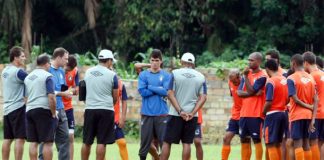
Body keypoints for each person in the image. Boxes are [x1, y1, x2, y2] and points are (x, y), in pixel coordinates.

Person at [160, 52, 207, 160]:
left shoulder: (175, 73)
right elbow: (203, 97)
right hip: (191, 116)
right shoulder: (201, 77)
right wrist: (193, 112)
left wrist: (180, 111)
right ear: (193, 64)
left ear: (181, 62)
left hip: (175, 114)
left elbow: (170, 93)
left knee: (167, 142)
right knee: (187, 143)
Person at [81, 49, 118, 160]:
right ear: (109, 61)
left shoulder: (88, 72)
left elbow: (83, 90)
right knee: (102, 141)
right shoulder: (112, 75)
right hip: (106, 110)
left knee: (87, 141)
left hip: (90, 109)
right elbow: (115, 97)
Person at [137, 49, 170, 160]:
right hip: (146, 114)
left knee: (164, 143)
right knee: (144, 143)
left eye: (157, 60)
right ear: (149, 60)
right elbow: (142, 92)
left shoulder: (166, 75)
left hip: (162, 114)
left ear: (161, 61)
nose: (154, 63)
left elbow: (166, 92)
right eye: (152, 60)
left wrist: (150, 87)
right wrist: (158, 89)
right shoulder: (143, 74)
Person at [39, 47, 71, 160]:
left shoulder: (62, 71)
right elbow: (47, 92)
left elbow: (63, 89)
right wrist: (63, 93)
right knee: (46, 140)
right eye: (65, 59)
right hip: (49, 110)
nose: (67, 62)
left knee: (65, 139)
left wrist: (69, 92)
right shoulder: (46, 70)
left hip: (61, 109)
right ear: (58, 57)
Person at [24, 54, 57, 160]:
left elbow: (25, 97)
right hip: (43, 110)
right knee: (48, 142)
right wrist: (53, 113)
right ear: (47, 64)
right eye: (50, 64)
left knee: (33, 142)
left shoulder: (28, 77)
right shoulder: (48, 76)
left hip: (29, 110)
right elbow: (51, 97)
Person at [287, 54, 318, 160]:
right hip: (309, 116)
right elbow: (316, 100)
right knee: (306, 144)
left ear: (293, 63)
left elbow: (295, 99)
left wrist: (308, 106)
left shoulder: (291, 78)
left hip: (297, 115)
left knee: (298, 144)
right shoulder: (311, 77)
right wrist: (313, 119)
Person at [237, 52, 267, 160]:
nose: (249, 62)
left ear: (259, 61)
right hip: (244, 113)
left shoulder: (262, 76)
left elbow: (251, 90)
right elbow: (239, 93)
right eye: (248, 60)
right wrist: (252, 93)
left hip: (256, 114)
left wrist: (245, 77)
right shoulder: (247, 74)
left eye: (252, 60)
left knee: (256, 140)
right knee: (244, 140)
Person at [1, 46, 28, 160]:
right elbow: (32, 81)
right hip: (17, 108)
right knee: (20, 139)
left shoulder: (5, 71)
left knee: (7, 139)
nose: (25, 58)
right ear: (15, 58)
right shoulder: (19, 72)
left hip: (7, 108)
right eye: (22, 56)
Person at [262, 59, 289, 160]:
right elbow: (288, 98)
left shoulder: (271, 81)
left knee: (270, 144)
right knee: (278, 143)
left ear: (267, 69)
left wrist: (263, 112)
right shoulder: (284, 79)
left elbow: (268, 101)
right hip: (283, 113)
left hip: (272, 114)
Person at [303, 52, 323, 159]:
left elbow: (311, 97)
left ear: (305, 63)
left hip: (316, 114)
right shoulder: (323, 73)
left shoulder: (310, 77)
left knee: (311, 142)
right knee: (320, 143)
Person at [221, 69, 242, 160]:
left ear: (239, 77)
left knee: (245, 140)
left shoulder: (245, 83)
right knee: (226, 138)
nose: (233, 82)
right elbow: (232, 95)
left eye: (234, 81)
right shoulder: (230, 82)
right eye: (231, 80)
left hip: (245, 115)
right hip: (235, 115)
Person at [62, 55, 79, 160]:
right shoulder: (56, 70)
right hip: (56, 108)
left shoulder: (75, 71)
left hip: (68, 108)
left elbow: (77, 90)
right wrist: (65, 92)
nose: (68, 71)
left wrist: (70, 91)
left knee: (71, 137)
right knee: (49, 139)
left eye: (70, 70)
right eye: (68, 69)